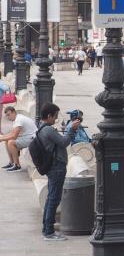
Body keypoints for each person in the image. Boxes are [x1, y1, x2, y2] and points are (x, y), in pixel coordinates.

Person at [38, 103, 80, 240]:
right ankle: (49, 231)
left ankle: (46, 227)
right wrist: (72, 129)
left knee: (51, 197)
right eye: (55, 116)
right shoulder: (48, 130)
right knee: (54, 199)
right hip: (56, 168)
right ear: (49, 116)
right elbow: (64, 142)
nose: (56, 119)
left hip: (53, 167)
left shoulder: (42, 128)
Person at [1, 106, 36, 172]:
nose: (8, 117)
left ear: (14, 112)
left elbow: (14, 136)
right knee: (7, 140)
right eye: (7, 116)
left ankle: (17, 165)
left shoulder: (19, 120)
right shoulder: (17, 118)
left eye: (9, 115)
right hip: (27, 137)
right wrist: (3, 137)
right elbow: (12, 133)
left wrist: (1, 139)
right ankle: (12, 163)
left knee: (11, 142)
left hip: (32, 139)